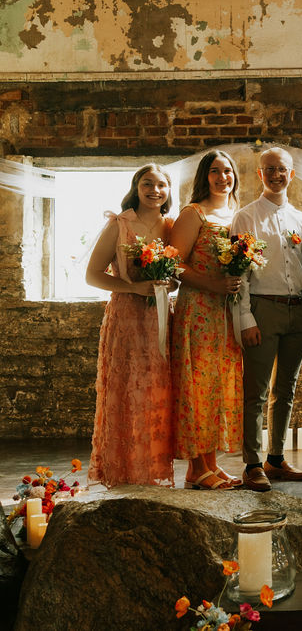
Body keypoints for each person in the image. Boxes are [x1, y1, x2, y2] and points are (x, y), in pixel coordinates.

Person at [85, 164, 176, 487]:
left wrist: (169, 284)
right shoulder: (120, 224)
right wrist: (133, 287)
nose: (155, 190)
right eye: (147, 184)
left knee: (157, 391)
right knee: (127, 391)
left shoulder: (171, 226)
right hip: (126, 316)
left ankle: (152, 469)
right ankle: (122, 469)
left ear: (168, 190)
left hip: (160, 317)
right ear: (136, 187)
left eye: (161, 185)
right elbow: (93, 274)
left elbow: (178, 274)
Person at [231, 148, 302, 491]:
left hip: (299, 309)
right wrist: (245, 317)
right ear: (259, 174)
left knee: (287, 388)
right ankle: (252, 463)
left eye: (282, 169)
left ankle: (276, 458)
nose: (276, 174)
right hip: (262, 307)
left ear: (291, 174)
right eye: (269, 169)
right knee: (257, 389)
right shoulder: (246, 217)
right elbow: (239, 273)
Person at [170, 150, 244, 490]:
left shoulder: (237, 214)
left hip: (226, 313)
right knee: (197, 387)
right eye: (215, 171)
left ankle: (211, 464)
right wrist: (214, 283)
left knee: (218, 388)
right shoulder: (193, 212)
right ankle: (196, 467)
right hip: (199, 310)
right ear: (205, 176)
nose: (222, 177)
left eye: (227, 171)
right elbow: (175, 264)